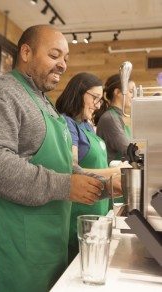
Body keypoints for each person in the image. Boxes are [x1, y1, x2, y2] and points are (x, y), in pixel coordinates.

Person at [0, 25, 114, 292]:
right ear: (26, 52)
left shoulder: (44, 103)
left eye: (66, 58)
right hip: (8, 238)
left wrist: (101, 185)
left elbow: (63, 165)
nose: (62, 65)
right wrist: (65, 185)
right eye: (55, 55)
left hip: (44, 236)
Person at [55, 72, 124, 263]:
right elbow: (73, 169)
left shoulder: (85, 124)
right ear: (78, 93)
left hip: (99, 208)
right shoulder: (67, 124)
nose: (97, 104)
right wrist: (115, 174)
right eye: (94, 98)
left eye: (100, 100)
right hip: (80, 211)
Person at [94, 74, 136, 163]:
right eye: (131, 91)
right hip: (114, 173)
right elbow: (128, 149)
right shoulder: (110, 118)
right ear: (117, 92)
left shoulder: (119, 116)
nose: (133, 96)